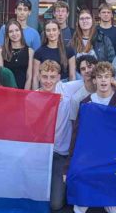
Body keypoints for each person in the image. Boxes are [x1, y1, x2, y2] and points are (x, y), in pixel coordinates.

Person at [68, 61, 116, 213]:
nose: (103, 80)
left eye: (106, 77)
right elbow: (76, 134)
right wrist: (68, 166)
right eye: (99, 77)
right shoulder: (86, 103)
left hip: (114, 158)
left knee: (115, 209)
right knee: (81, 203)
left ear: (112, 79)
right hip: (90, 158)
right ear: (94, 80)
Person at [36, 60, 76, 211]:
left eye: (52, 77)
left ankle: (65, 185)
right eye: (45, 76)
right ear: (39, 76)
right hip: (40, 153)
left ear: (59, 77)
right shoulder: (32, 96)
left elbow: (91, 81)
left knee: (56, 204)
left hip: (61, 154)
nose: (48, 81)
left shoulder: (67, 89)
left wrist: (115, 83)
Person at [0, 19, 34, 90]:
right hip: (7, 92)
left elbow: (29, 76)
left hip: (23, 91)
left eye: (17, 30)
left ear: (21, 31)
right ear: (7, 34)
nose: (14, 34)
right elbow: (1, 76)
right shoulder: (1, 52)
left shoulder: (30, 51)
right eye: (11, 31)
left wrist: (24, 94)